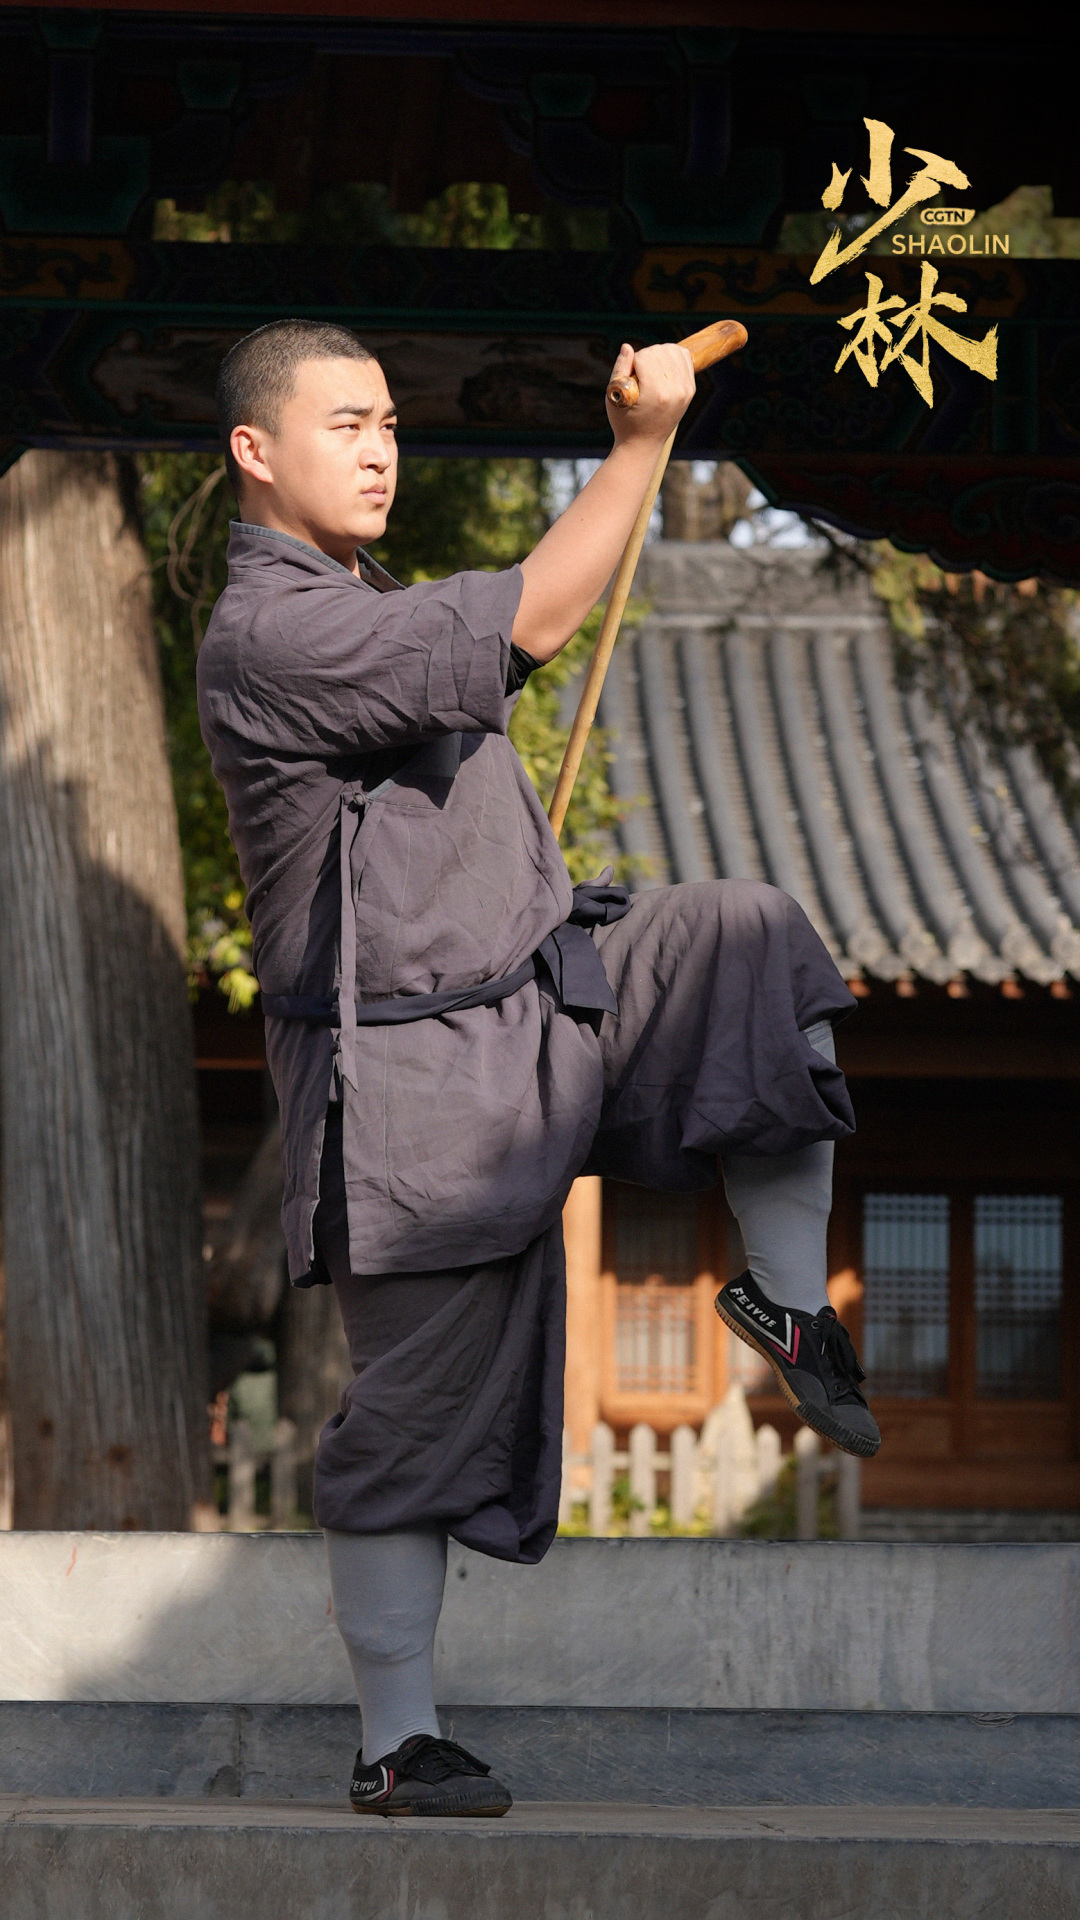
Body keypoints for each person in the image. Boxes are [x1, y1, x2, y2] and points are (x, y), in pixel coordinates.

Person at [197, 317, 878, 1820]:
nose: (381, 447)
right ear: (257, 450)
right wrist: (642, 445)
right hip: (414, 1090)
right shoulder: (269, 633)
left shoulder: (361, 597)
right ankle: (395, 1742)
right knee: (416, 1418)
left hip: (552, 994)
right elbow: (526, 626)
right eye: (345, 424)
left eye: (388, 422)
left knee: (750, 944)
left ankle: (784, 1298)